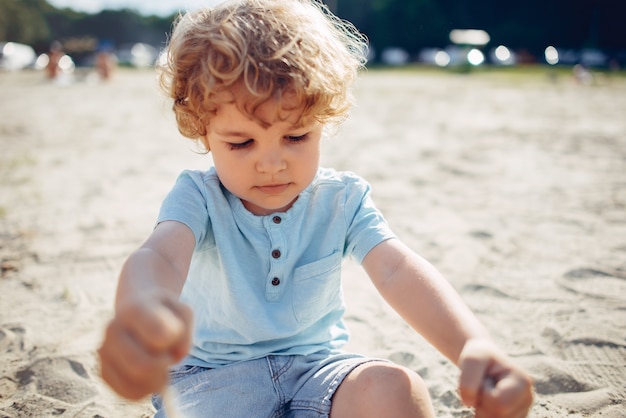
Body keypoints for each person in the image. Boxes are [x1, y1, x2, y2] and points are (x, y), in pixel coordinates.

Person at [97, 0, 534, 417]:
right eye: (241, 143)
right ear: (202, 130)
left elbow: (396, 269)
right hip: (210, 381)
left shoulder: (343, 199)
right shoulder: (199, 196)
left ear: (323, 121)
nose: (271, 163)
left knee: (394, 389)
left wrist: (472, 345)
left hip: (318, 371)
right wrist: (141, 309)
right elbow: (162, 255)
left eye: (296, 136)